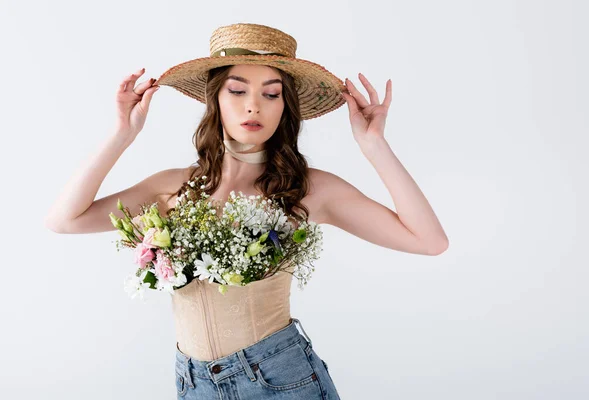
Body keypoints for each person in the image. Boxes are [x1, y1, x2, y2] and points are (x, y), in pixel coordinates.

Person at [45, 23, 448, 399]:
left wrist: (374, 146)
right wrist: (122, 134)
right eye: (237, 91)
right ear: (215, 99)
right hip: (194, 382)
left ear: (285, 107)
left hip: (281, 378)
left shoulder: (308, 188)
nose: (253, 106)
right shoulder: (172, 187)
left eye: (271, 94)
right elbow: (65, 220)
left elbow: (429, 241)